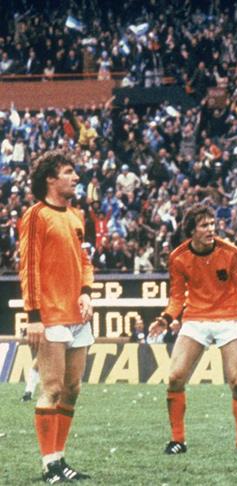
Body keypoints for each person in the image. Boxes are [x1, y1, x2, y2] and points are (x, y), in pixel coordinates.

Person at [148, 204, 237, 455]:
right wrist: (165, 319)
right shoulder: (178, 257)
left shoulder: (230, 252)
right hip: (196, 319)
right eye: (204, 225)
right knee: (175, 377)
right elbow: (177, 297)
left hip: (228, 317)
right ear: (192, 230)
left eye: (212, 224)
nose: (211, 229)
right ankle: (178, 440)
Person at [19, 149, 95, 482]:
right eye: (68, 172)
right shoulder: (36, 215)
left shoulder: (76, 216)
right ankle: (48, 464)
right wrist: (34, 315)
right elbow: (28, 267)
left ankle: (60, 459)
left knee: (72, 388)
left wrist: (86, 291)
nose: (76, 177)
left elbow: (85, 261)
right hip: (49, 315)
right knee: (51, 388)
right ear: (50, 179)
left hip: (77, 316)